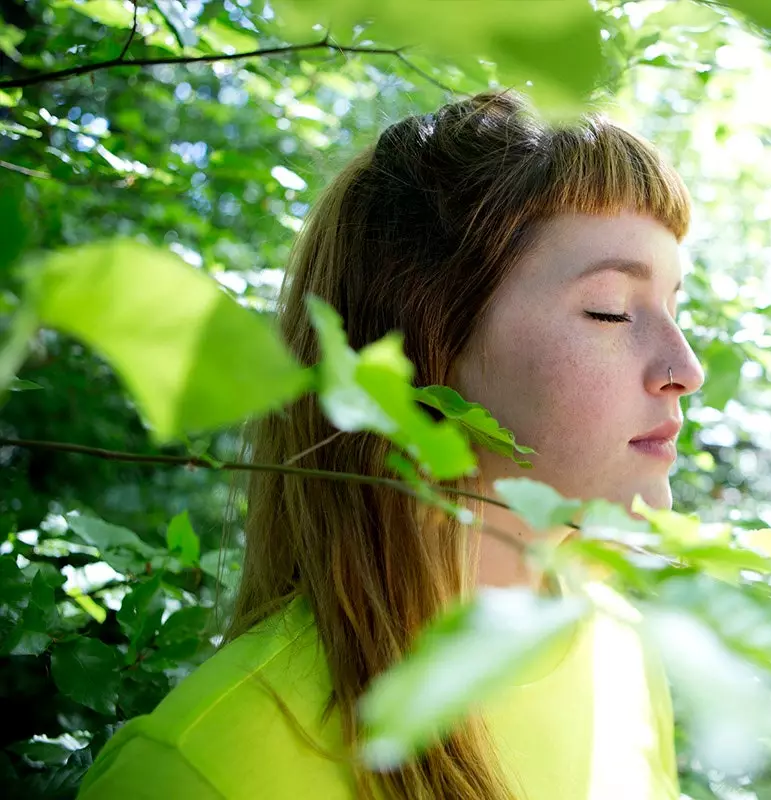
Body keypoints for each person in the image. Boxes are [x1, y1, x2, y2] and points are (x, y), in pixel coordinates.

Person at [76, 90, 705, 800]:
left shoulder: (614, 642)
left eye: (676, 306)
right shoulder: (201, 770)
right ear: (421, 353)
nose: (686, 368)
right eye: (611, 311)